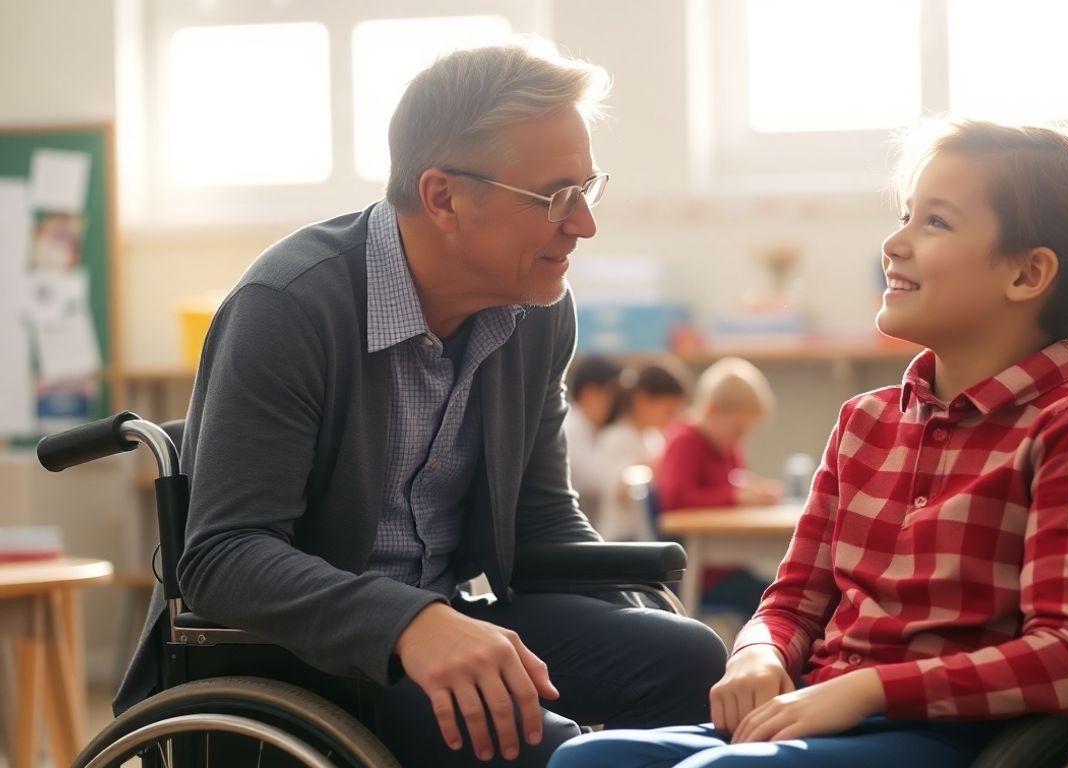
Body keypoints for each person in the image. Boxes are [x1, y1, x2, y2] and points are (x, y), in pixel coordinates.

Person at [114, 39, 726, 767]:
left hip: (448, 618)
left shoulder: (536, 312)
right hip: (301, 651)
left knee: (688, 658)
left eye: (587, 190)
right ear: (443, 197)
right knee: (538, 742)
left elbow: (538, 521)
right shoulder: (288, 307)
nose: (583, 224)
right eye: (556, 197)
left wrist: (618, 597)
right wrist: (409, 621)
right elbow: (223, 556)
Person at [550, 119, 1068, 768]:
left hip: (963, 739)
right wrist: (759, 653)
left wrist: (867, 690)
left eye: (934, 223)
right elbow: (792, 603)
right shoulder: (865, 421)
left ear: (1028, 273)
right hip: (824, 717)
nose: (894, 243)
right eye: (905, 215)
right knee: (585, 761)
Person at [655, 357, 784, 617]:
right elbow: (676, 499)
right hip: (698, 573)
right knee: (771, 602)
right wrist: (735, 496)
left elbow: (733, 481)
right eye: (737, 430)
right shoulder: (685, 441)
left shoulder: (725, 447)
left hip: (724, 566)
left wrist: (751, 490)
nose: (740, 440)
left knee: (777, 592)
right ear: (712, 410)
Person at [591, 361, 689, 541]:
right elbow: (617, 490)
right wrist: (651, 467)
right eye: (668, 411)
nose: (673, 420)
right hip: (621, 538)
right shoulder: (615, 437)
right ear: (642, 400)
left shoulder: (653, 438)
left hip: (647, 534)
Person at [564, 355, 625, 519]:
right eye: (613, 394)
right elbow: (600, 482)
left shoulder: (592, 430)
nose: (618, 403)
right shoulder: (570, 430)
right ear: (589, 393)